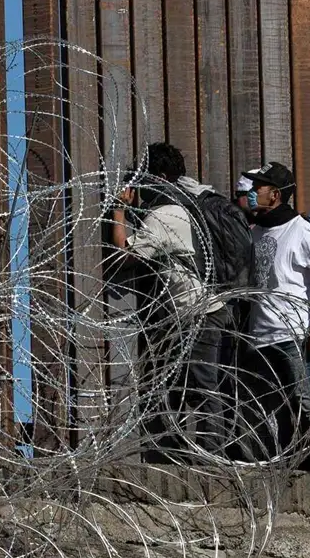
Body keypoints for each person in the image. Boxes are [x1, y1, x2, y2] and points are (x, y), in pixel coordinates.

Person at [109, 142, 231, 457]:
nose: (137, 185)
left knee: (201, 385)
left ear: (160, 176)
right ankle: (180, 449)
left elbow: (125, 253)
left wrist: (118, 210)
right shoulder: (184, 207)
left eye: (143, 176)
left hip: (196, 311)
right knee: (178, 384)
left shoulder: (164, 215)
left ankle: (210, 453)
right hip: (196, 311)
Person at [239, 161, 310, 475]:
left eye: (258, 187)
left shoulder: (299, 229)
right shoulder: (258, 230)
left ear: (274, 195)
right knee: (274, 405)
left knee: (307, 406)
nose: (251, 192)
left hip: (291, 331)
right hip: (260, 333)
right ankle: (296, 463)